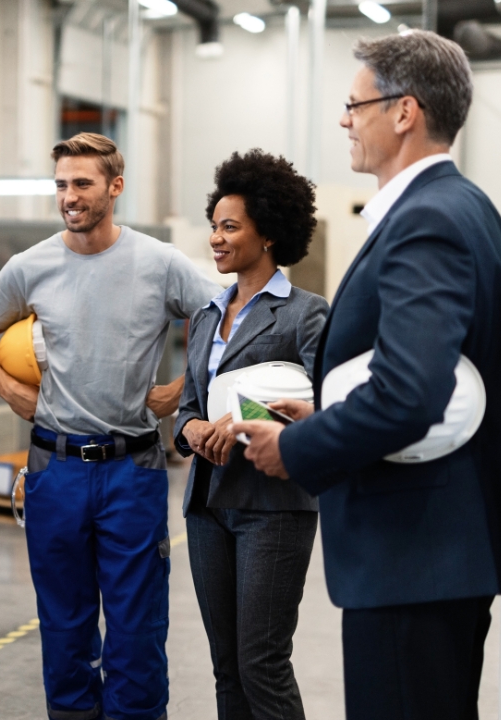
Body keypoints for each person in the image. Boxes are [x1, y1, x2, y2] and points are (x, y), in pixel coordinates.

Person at [231, 31, 501, 720]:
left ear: (404, 111)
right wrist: (323, 417)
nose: (346, 120)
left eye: (354, 104)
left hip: (414, 552)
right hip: (435, 552)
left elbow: (410, 392)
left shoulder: (427, 219)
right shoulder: (461, 206)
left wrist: (298, 448)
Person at [0, 132, 221, 720]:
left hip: (131, 469)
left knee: (136, 631)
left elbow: (227, 318)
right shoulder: (27, 267)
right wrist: (7, 387)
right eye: (61, 185)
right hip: (53, 469)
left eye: (82, 184)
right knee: (64, 628)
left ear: (115, 186)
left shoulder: (159, 263)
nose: (69, 197)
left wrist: (186, 389)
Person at [175, 150, 327, 720]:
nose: (216, 238)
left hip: (273, 505)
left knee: (261, 661)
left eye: (230, 226)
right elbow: (186, 408)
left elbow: (324, 405)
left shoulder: (306, 315)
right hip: (207, 504)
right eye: (213, 226)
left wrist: (239, 420)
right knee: (225, 665)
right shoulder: (207, 316)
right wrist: (193, 428)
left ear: (268, 232)